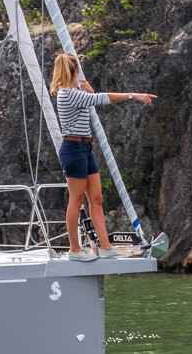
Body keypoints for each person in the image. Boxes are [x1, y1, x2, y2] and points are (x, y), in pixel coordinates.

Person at [50, 52, 153, 261]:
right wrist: (133, 95)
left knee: (96, 198)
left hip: (85, 148)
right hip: (73, 148)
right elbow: (100, 99)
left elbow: (91, 101)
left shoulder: (75, 93)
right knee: (76, 200)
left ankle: (105, 247)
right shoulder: (67, 94)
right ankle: (75, 250)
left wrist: (89, 92)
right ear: (76, 70)